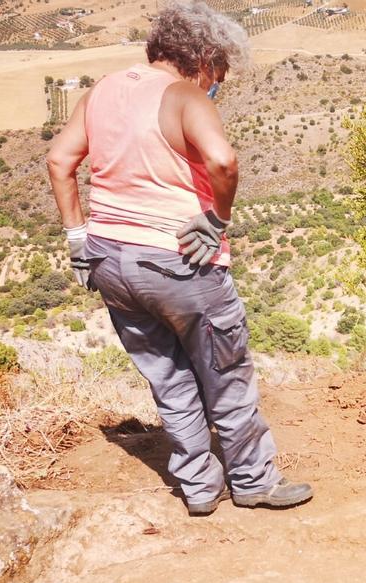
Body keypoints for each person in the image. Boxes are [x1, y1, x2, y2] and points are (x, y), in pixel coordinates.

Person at [45, 0, 311, 515]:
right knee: (226, 375)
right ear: (206, 56)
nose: (219, 85)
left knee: (167, 378)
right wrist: (217, 219)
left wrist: (77, 236)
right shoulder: (185, 95)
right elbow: (223, 160)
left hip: (108, 259)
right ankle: (253, 482)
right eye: (221, 73)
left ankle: (199, 488)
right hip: (179, 261)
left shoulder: (102, 90)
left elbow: (60, 160)